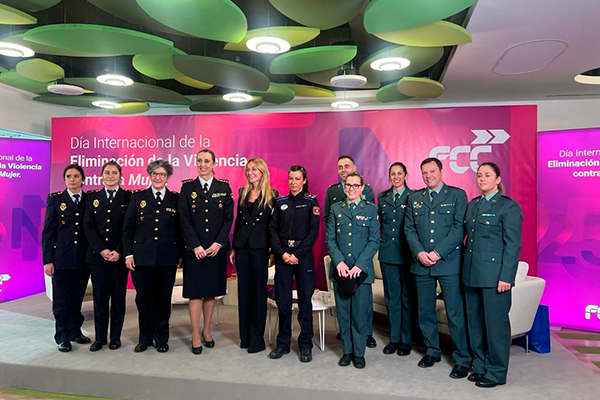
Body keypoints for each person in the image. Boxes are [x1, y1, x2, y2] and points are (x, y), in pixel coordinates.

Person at [404, 157, 472, 378]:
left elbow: (458, 229)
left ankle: (462, 358)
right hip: (421, 263)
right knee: (425, 312)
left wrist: (437, 252)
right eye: (424, 172)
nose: (428, 175)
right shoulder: (414, 198)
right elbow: (409, 230)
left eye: (432, 171)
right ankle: (432, 351)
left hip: (449, 263)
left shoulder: (457, 195)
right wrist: (420, 253)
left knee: (455, 313)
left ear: (441, 171)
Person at [463, 162, 522, 388]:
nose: (482, 179)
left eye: (487, 175)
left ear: (497, 179)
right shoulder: (473, 205)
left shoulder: (508, 207)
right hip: (471, 274)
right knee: (475, 324)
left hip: (495, 277)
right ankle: (480, 366)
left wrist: (506, 277)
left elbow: (513, 245)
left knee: (496, 327)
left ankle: (496, 372)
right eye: (479, 175)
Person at [123, 159, 181, 353]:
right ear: (149, 175)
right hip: (142, 258)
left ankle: (161, 337)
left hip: (167, 258)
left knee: (163, 300)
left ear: (168, 177)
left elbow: (180, 230)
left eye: (162, 174)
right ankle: (145, 337)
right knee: (144, 300)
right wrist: (128, 254)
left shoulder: (175, 199)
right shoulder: (138, 197)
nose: (158, 177)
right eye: (155, 174)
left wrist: (180, 256)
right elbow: (128, 229)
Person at [179, 149, 233, 355]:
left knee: (210, 292)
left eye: (207, 161)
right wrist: (195, 246)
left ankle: (207, 330)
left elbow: (228, 218)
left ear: (214, 163)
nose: (203, 164)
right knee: (194, 293)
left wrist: (218, 243)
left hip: (214, 251)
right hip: (195, 251)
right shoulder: (187, 188)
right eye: (199, 161)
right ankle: (195, 334)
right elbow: (183, 219)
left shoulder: (224, 188)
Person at [326, 172, 379, 369]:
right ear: (344, 186)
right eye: (348, 185)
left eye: (356, 186)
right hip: (341, 271)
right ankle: (347, 351)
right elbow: (330, 239)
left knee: (359, 314)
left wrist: (359, 265)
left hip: (361, 272)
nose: (351, 189)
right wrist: (338, 261)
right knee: (344, 313)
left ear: (362, 188)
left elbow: (374, 241)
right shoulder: (336, 209)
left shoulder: (371, 210)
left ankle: (359, 353)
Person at [269, 165, 320, 362]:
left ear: (304, 180)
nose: (293, 182)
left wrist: (297, 253)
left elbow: (313, 232)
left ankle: (305, 344)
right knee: (283, 301)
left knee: (305, 302)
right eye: (291, 178)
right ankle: (283, 344)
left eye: (297, 178)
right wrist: (282, 254)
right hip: (283, 257)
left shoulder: (310, 202)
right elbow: (272, 229)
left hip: (302, 256)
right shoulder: (280, 201)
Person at [229, 158, 277, 354]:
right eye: (248, 169)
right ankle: (245, 337)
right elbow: (238, 222)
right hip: (242, 248)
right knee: (244, 293)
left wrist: (273, 251)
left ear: (263, 171)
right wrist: (233, 248)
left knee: (258, 293)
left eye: (254, 169)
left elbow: (273, 227)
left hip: (260, 248)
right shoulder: (242, 192)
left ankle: (257, 339)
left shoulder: (272, 195)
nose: (250, 172)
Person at [42, 164, 91, 352]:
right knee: (62, 300)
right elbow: (48, 233)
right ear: (64, 179)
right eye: (69, 176)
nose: (72, 179)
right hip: (61, 259)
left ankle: (75, 331)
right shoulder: (55, 200)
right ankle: (62, 336)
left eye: (76, 176)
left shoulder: (89, 200)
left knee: (77, 298)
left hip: (82, 259)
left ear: (82, 179)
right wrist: (48, 260)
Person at [84, 161, 131, 352]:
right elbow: (89, 226)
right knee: (100, 299)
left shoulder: (128, 197)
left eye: (114, 173)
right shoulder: (92, 197)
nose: (110, 176)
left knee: (118, 299)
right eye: (107, 173)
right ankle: (100, 338)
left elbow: (128, 228)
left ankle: (116, 337)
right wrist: (101, 249)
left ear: (120, 176)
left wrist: (119, 250)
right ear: (101, 176)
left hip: (119, 257)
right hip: (98, 258)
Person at [377, 162, 415, 356]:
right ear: (389, 176)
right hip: (388, 254)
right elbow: (380, 224)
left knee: (407, 298)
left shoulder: (415, 197)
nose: (396, 177)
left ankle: (406, 339)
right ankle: (394, 338)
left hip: (407, 254)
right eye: (393, 174)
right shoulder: (382, 197)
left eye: (400, 173)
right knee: (392, 298)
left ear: (405, 175)